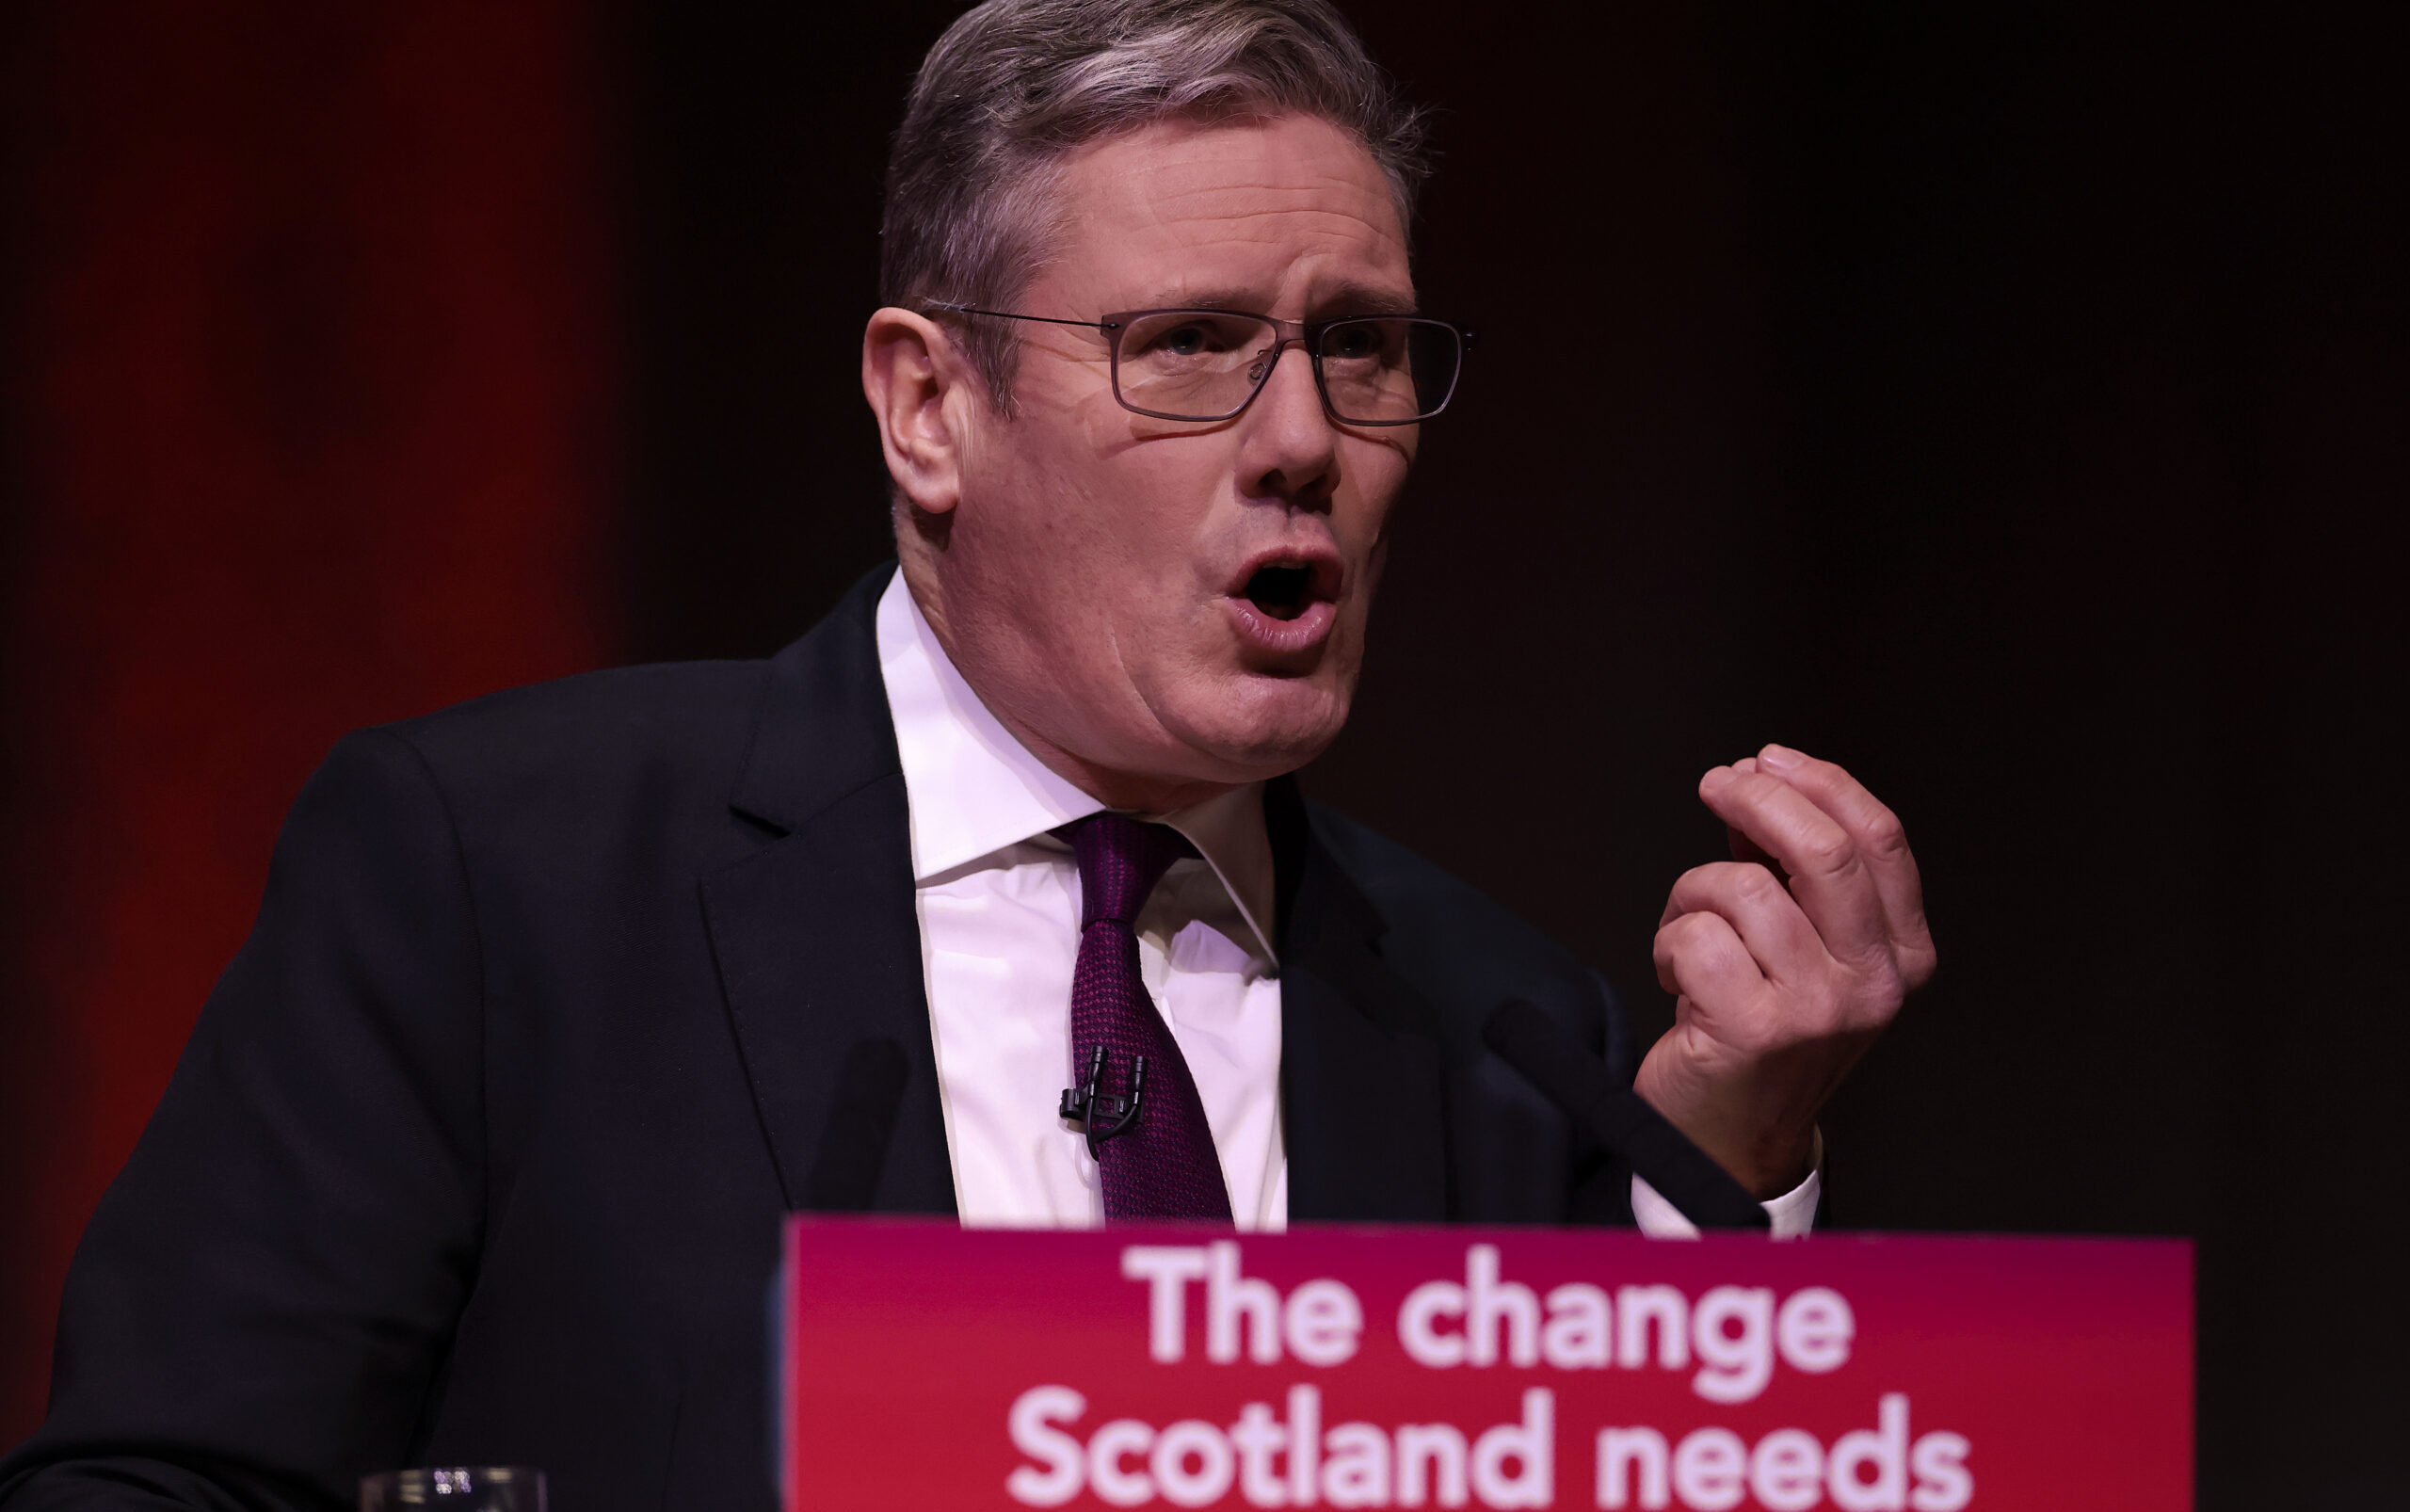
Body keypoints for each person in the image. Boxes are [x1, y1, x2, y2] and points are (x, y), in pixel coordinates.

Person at [0, 3, 1934, 1511]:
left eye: (1354, 344)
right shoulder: (499, 879)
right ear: (930, 404)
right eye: (1186, 342)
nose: (1299, 440)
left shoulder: (1503, 1033)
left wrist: (1720, 1156)